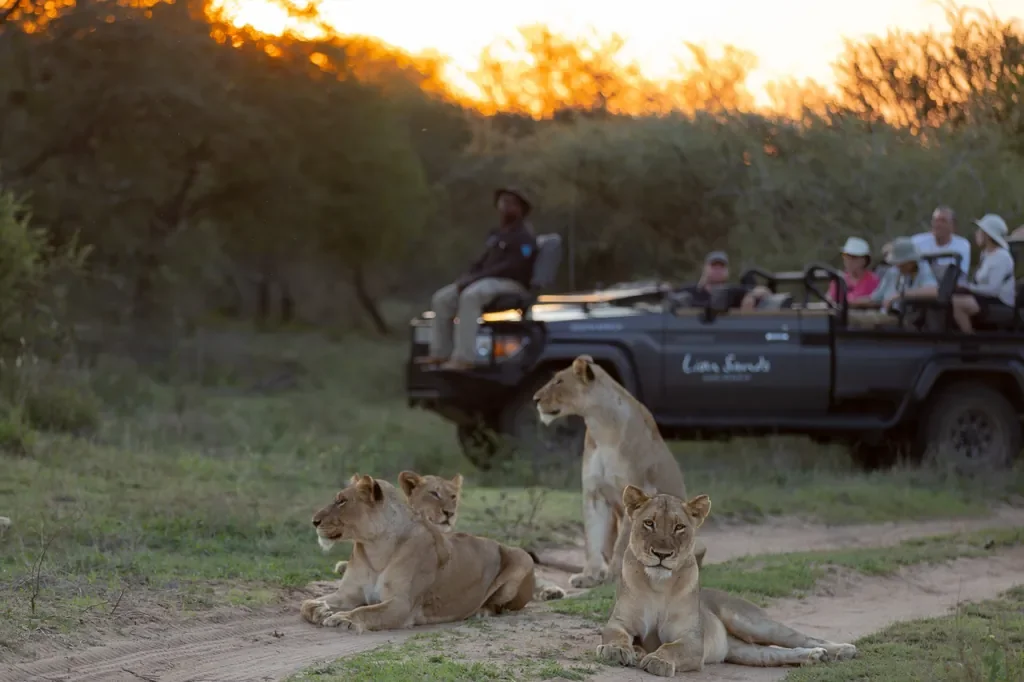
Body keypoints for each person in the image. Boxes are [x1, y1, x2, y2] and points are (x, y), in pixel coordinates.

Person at [417, 187, 538, 370]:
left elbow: (512, 267)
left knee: (471, 296)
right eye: (503, 201)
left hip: (511, 283)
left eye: (511, 203)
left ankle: (464, 358)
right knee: (442, 298)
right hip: (487, 281)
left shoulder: (524, 237)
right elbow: (481, 261)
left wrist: (475, 280)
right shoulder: (496, 234)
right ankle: (440, 354)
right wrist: (466, 278)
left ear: (521, 210)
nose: (505, 206)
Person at [951, 214, 1015, 333]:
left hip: (999, 302)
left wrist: (968, 287)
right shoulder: (986, 254)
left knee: (958, 303)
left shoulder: (1002, 257)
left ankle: (970, 339)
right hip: (985, 298)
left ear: (987, 235)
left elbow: (993, 290)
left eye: (980, 231)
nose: (977, 233)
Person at [850, 237, 938, 314]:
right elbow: (875, 299)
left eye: (901, 263)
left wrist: (901, 295)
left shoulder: (922, 270)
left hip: (906, 318)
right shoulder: (892, 272)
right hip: (885, 315)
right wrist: (851, 303)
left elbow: (934, 291)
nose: (897, 266)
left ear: (911, 262)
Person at [673, 251, 767, 310]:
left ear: (727, 271)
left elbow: (764, 291)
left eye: (721, 267)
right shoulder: (690, 290)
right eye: (714, 266)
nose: (718, 270)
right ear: (704, 268)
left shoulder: (734, 292)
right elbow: (669, 295)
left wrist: (752, 295)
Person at [911, 205, 972, 280]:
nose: (938, 224)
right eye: (936, 220)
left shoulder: (962, 245)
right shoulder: (916, 242)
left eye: (943, 221)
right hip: (919, 287)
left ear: (952, 226)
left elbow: (960, 277)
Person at [827, 237, 879, 303]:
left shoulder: (873, 280)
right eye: (845, 255)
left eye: (854, 257)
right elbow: (829, 299)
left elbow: (876, 300)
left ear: (864, 260)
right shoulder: (839, 279)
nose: (848, 260)